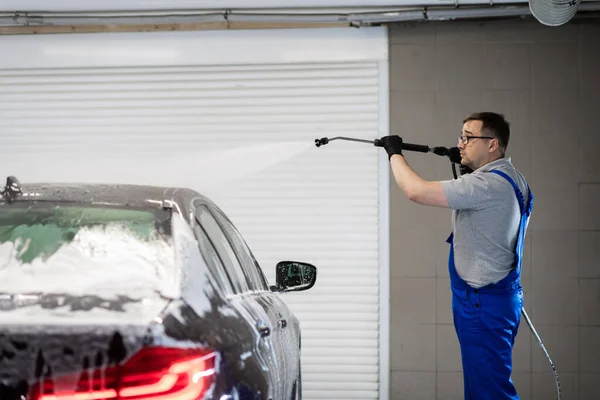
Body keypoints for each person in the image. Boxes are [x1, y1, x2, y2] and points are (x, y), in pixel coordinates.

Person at [378, 112, 533, 400]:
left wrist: (394, 153)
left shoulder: (486, 185)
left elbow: (415, 191)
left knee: (490, 391)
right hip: (494, 299)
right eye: (460, 137)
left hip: (482, 302)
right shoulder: (511, 178)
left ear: (492, 144)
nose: (460, 143)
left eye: (468, 137)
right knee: (481, 386)